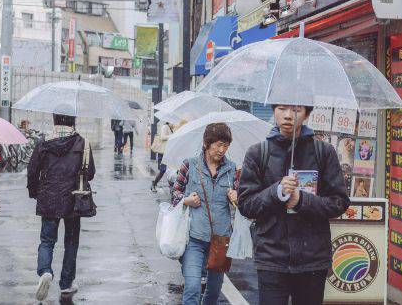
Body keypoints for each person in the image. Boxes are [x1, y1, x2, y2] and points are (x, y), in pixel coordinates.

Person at [237, 104, 350, 305]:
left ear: (306, 114)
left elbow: (339, 202)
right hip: (271, 259)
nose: (288, 116)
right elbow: (246, 205)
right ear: (274, 111)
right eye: (282, 109)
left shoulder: (324, 152)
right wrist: (276, 192)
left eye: (296, 110)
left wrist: (301, 201)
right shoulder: (257, 153)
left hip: (312, 259)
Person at [27, 114, 95, 302]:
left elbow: (32, 170)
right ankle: (66, 283)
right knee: (71, 242)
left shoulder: (43, 142)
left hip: (48, 198)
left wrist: (34, 192)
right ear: (73, 121)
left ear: (54, 121)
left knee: (47, 241)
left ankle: (45, 271)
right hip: (74, 200)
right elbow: (90, 173)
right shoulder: (82, 143)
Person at [171, 123, 238, 305]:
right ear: (206, 143)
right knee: (192, 287)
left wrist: (236, 197)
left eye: (226, 145)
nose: (222, 150)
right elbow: (175, 193)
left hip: (221, 240)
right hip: (194, 238)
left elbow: (244, 203)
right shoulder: (190, 165)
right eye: (218, 144)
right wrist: (186, 200)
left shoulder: (232, 170)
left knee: (214, 292)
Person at [150, 121, 173, 192]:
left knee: (171, 170)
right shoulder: (165, 127)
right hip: (163, 152)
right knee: (163, 170)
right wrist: (173, 135)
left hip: (168, 152)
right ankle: (154, 183)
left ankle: (172, 188)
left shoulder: (170, 128)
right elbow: (163, 137)